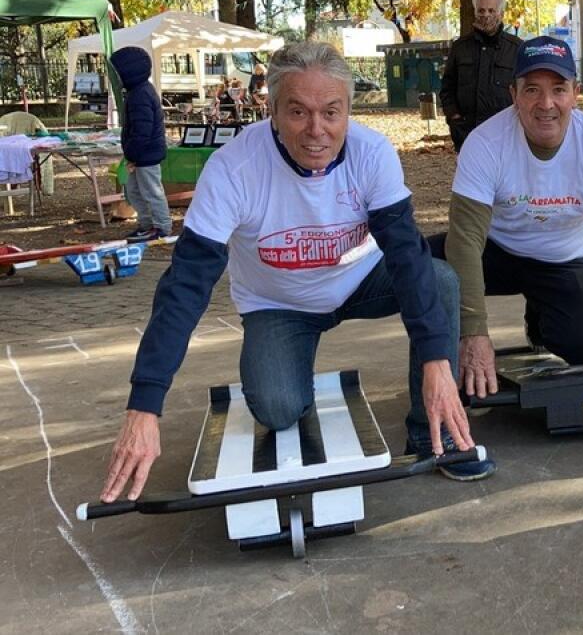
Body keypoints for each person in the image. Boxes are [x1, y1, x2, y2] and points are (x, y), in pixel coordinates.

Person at [98, 41, 492, 506]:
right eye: (298, 112)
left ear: (348, 111)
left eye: (331, 113)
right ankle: (291, 374)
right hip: (279, 303)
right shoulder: (233, 169)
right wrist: (145, 404)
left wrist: (436, 361)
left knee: (439, 279)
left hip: (360, 281)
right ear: (273, 110)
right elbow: (184, 287)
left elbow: (407, 257)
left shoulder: (372, 153)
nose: (316, 131)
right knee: (277, 408)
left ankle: (432, 434)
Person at [439, 36, 583, 401]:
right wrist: (473, 331)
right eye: (532, 90)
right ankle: (435, 361)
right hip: (495, 251)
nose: (546, 104)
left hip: (562, 258)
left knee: (582, 346)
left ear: (576, 94)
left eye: (558, 89)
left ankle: (541, 318)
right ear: (514, 95)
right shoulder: (485, 143)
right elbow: (465, 240)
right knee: (425, 272)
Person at [440, 0, 523, 152]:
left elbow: (525, 88)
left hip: (506, 135)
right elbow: (447, 88)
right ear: (475, 13)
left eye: (491, 10)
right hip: (467, 134)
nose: (486, 15)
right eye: (481, 10)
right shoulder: (460, 47)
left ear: (501, 13)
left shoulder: (517, 48)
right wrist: (454, 118)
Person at [110, 46, 172, 242]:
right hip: (139, 155)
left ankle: (161, 226)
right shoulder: (136, 92)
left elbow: (142, 129)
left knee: (152, 192)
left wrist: (133, 154)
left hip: (146, 155)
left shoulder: (141, 94)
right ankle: (146, 225)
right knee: (134, 192)